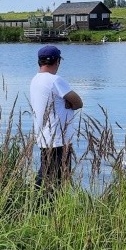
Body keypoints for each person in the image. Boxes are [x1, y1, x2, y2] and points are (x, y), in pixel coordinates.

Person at [29, 44, 84, 187]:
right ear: (57, 61)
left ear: (39, 61)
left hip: (44, 137)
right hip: (58, 139)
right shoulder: (55, 80)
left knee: (46, 175)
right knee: (57, 181)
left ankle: (39, 206)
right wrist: (69, 103)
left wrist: (67, 102)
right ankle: (43, 207)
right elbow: (78, 102)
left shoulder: (35, 80)